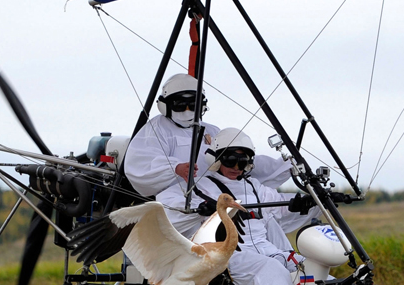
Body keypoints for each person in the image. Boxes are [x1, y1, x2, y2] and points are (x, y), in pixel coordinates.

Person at [157, 127, 321, 285]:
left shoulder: (254, 186)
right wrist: (200, 208)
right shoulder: (200, 187)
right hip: (230, 254)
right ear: (216, 160)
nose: (236, 167)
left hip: (266, 248)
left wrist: (298, 203)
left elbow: (278, 207)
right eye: (230, 161)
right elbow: (165, 204)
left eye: (242, 163)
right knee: (268, 267)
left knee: (303, 264)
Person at [124, 73, 291, 200]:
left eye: (193, 105)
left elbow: (236, 158)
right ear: (165, 105)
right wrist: (175, 168)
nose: (188, 110)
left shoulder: (211, 130)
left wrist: (285, 166)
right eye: (181, 105)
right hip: (178, 202)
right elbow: (141, 162)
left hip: (213, 199)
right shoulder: (157, 129)